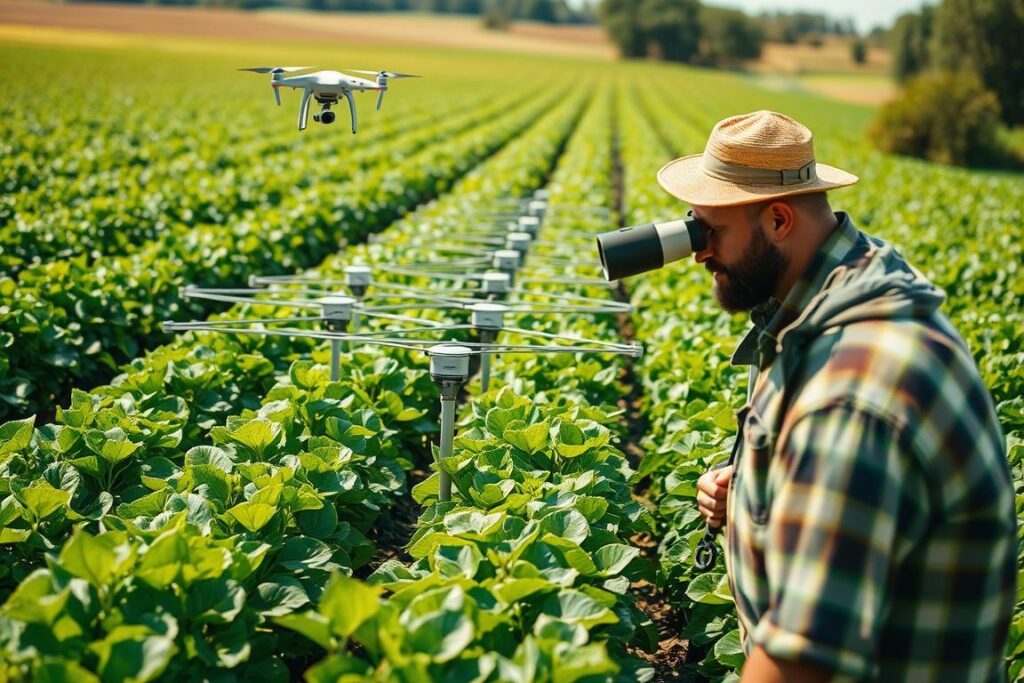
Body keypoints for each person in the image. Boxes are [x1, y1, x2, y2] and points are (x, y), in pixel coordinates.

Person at [659, 110, 1017, 681]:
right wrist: (756, 493)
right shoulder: (837, 296)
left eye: (711, 231)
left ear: (779, 219)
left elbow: (801, 663)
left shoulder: (854, 393)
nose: (698, 251)